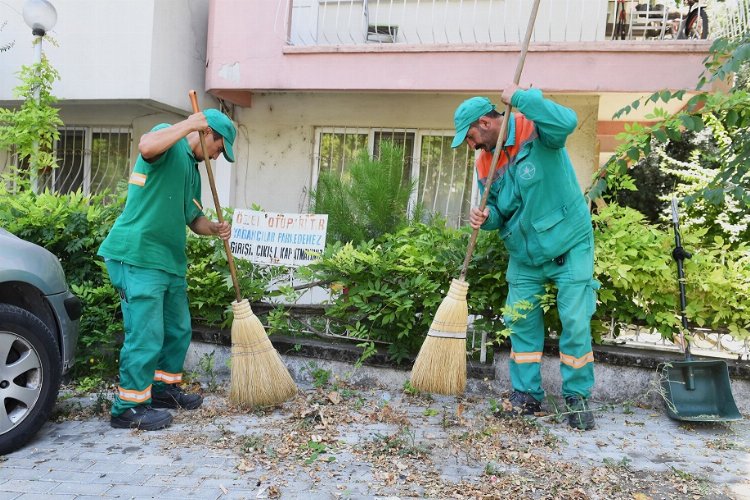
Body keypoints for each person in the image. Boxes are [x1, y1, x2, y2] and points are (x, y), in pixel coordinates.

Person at [452, 85, 599, 430]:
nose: (469, 145)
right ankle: (527, 396)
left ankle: (577, 398)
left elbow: (568, 122)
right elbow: (500, 210)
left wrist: (523, 98)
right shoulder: (484, 160)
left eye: (469, 136)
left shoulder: (535, 128)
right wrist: (487, 218)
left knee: (575, 322)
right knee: (520, 320)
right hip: (525, 253)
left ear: (485, 124)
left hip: (569, 242)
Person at [99, 108, 237, 431]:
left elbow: (192, 218)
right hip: (138, 254)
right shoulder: (167, 139)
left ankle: (162, 389)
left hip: (169, 261)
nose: (216, 158)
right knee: (145, 333)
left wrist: (214, 228)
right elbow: (146, 146)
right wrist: (188, 124)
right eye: (218, 149)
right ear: (206, 134)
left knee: (177, 330)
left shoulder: (192, 170)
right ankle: (128, 407)